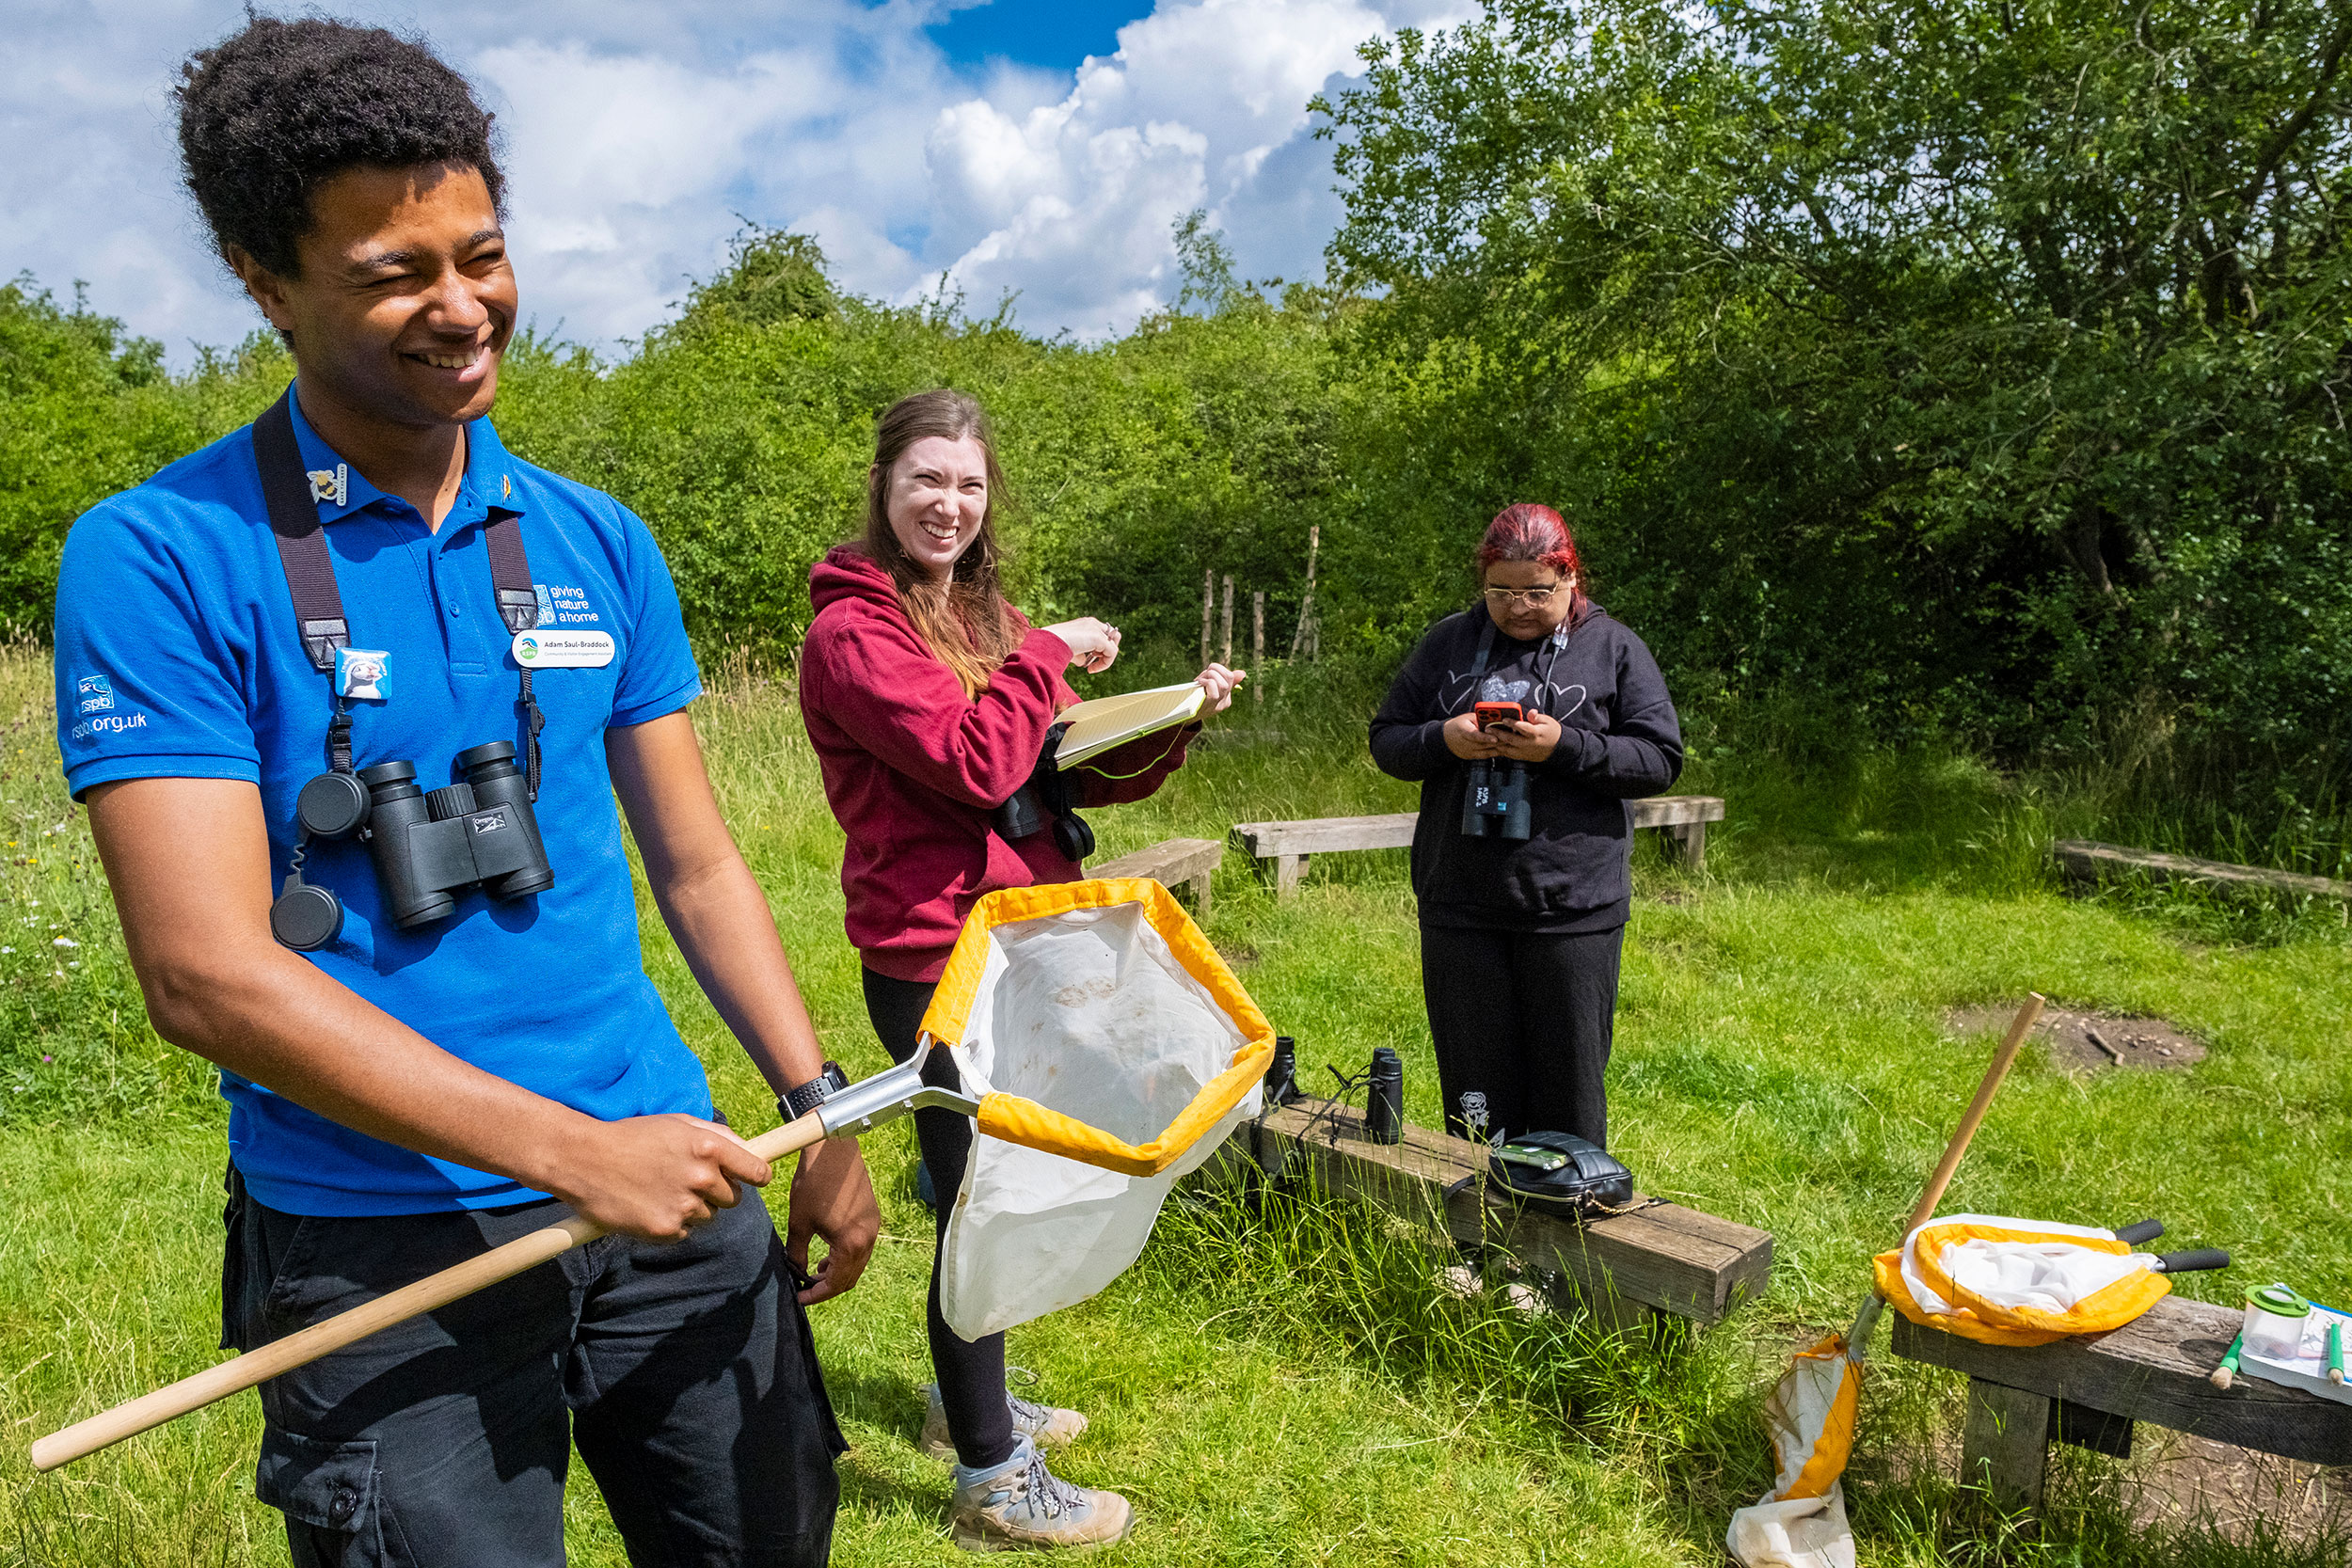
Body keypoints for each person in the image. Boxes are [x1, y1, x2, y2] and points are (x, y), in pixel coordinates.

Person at [55, 18, 878, 1564]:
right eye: (392, 273)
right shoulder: (162, 554)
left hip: (671, 1186)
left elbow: (696, 867)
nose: (460, 308)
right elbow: (205, 974)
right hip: (383, 1241)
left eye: (481, 253)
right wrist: (569, 1151)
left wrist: (810, 1102)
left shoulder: (595, 539)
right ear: (262, 278)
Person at [798, 388, 1241, 1552]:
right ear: (886, 484)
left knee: (993, 1178)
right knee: (974, 1196)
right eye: (927, 479)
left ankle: (963, 1403)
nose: (949, 503)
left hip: (1014, 923)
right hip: (933, 945)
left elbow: (1050, 772)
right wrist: (1044, 655)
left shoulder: (977, 611)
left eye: (970, 484)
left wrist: (1171, 715)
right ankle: (993, 1473)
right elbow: (970, 758)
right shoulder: (856, 632)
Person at [1369, 503, 1682, 1153]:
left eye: (1538, 590)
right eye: (1501, 591)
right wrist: (1445, 738)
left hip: (1571, 906)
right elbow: (1388, 740)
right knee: (1475, 1092)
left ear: (1572, 578)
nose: (1518, 606)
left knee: (1566, 1088)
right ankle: (1480, 1234)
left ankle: (1563, 1238)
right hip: (1460, 903)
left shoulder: (1614, 647)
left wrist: (1563, 746)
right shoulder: (1447, 642)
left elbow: (1659, 758)